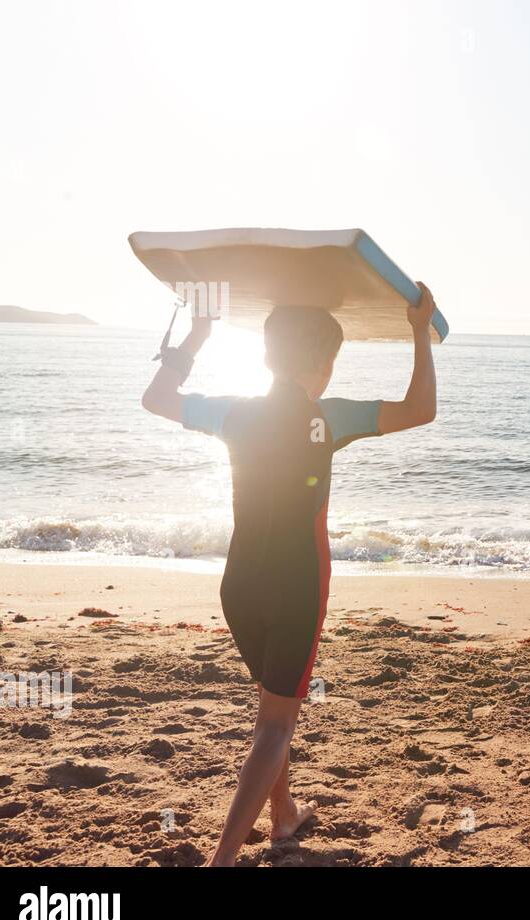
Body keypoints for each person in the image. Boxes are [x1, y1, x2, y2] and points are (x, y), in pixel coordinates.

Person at [141, 288, 439, 866]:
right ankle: (223, 858)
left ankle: (283, 817)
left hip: (240, 586)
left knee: (270, 705)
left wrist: (199, 334)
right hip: (298, 585)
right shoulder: (329, 416)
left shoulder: (233, 410)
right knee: (275, 725)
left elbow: (156, 397)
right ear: (326, 364)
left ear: (267, 359)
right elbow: (420, 409)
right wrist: (420, 332)